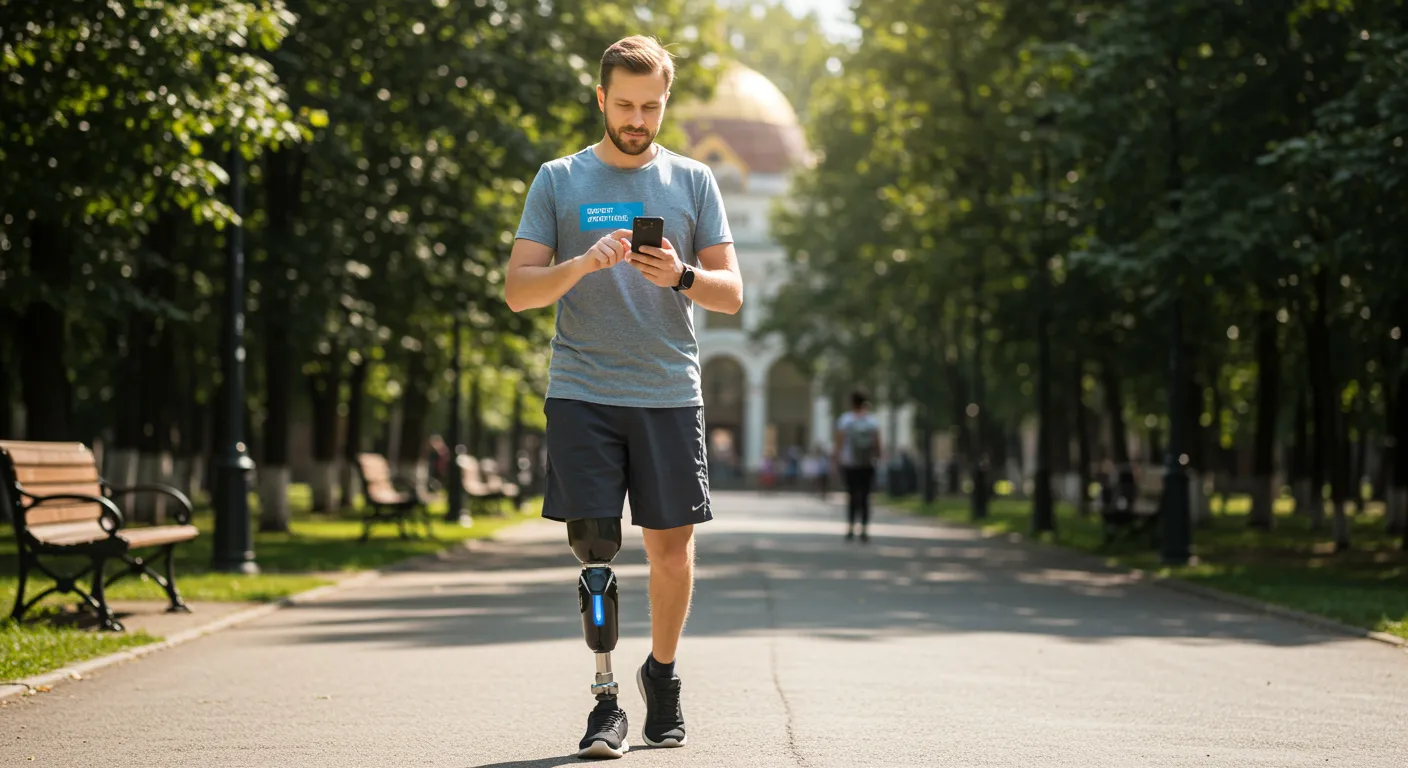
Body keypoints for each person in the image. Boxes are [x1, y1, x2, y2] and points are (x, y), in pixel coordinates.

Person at [503, 35, 742, 759]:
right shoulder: (559, 179)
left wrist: (680, 276)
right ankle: (604, 701)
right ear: (602, 98)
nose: (637, 119)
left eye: (651, 106)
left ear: (665, 103)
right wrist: (579, 265)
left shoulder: (694, 182)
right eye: (626, 104)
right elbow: (518, 291)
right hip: (584, 390)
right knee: (596, 551)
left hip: (669, 391)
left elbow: (731, 294)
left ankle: (660, 679)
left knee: (672, 553)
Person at [833, 389, 883, 542]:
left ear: (852, 403)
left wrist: (836, 460)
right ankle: (864, 529)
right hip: (867, 463)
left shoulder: (845, 420)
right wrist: (878, 457)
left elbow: (839, 443)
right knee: (866, 496)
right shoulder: (872, 421)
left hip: (850, 463)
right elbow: (877, 443)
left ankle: (850, 527)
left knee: (852, 495)